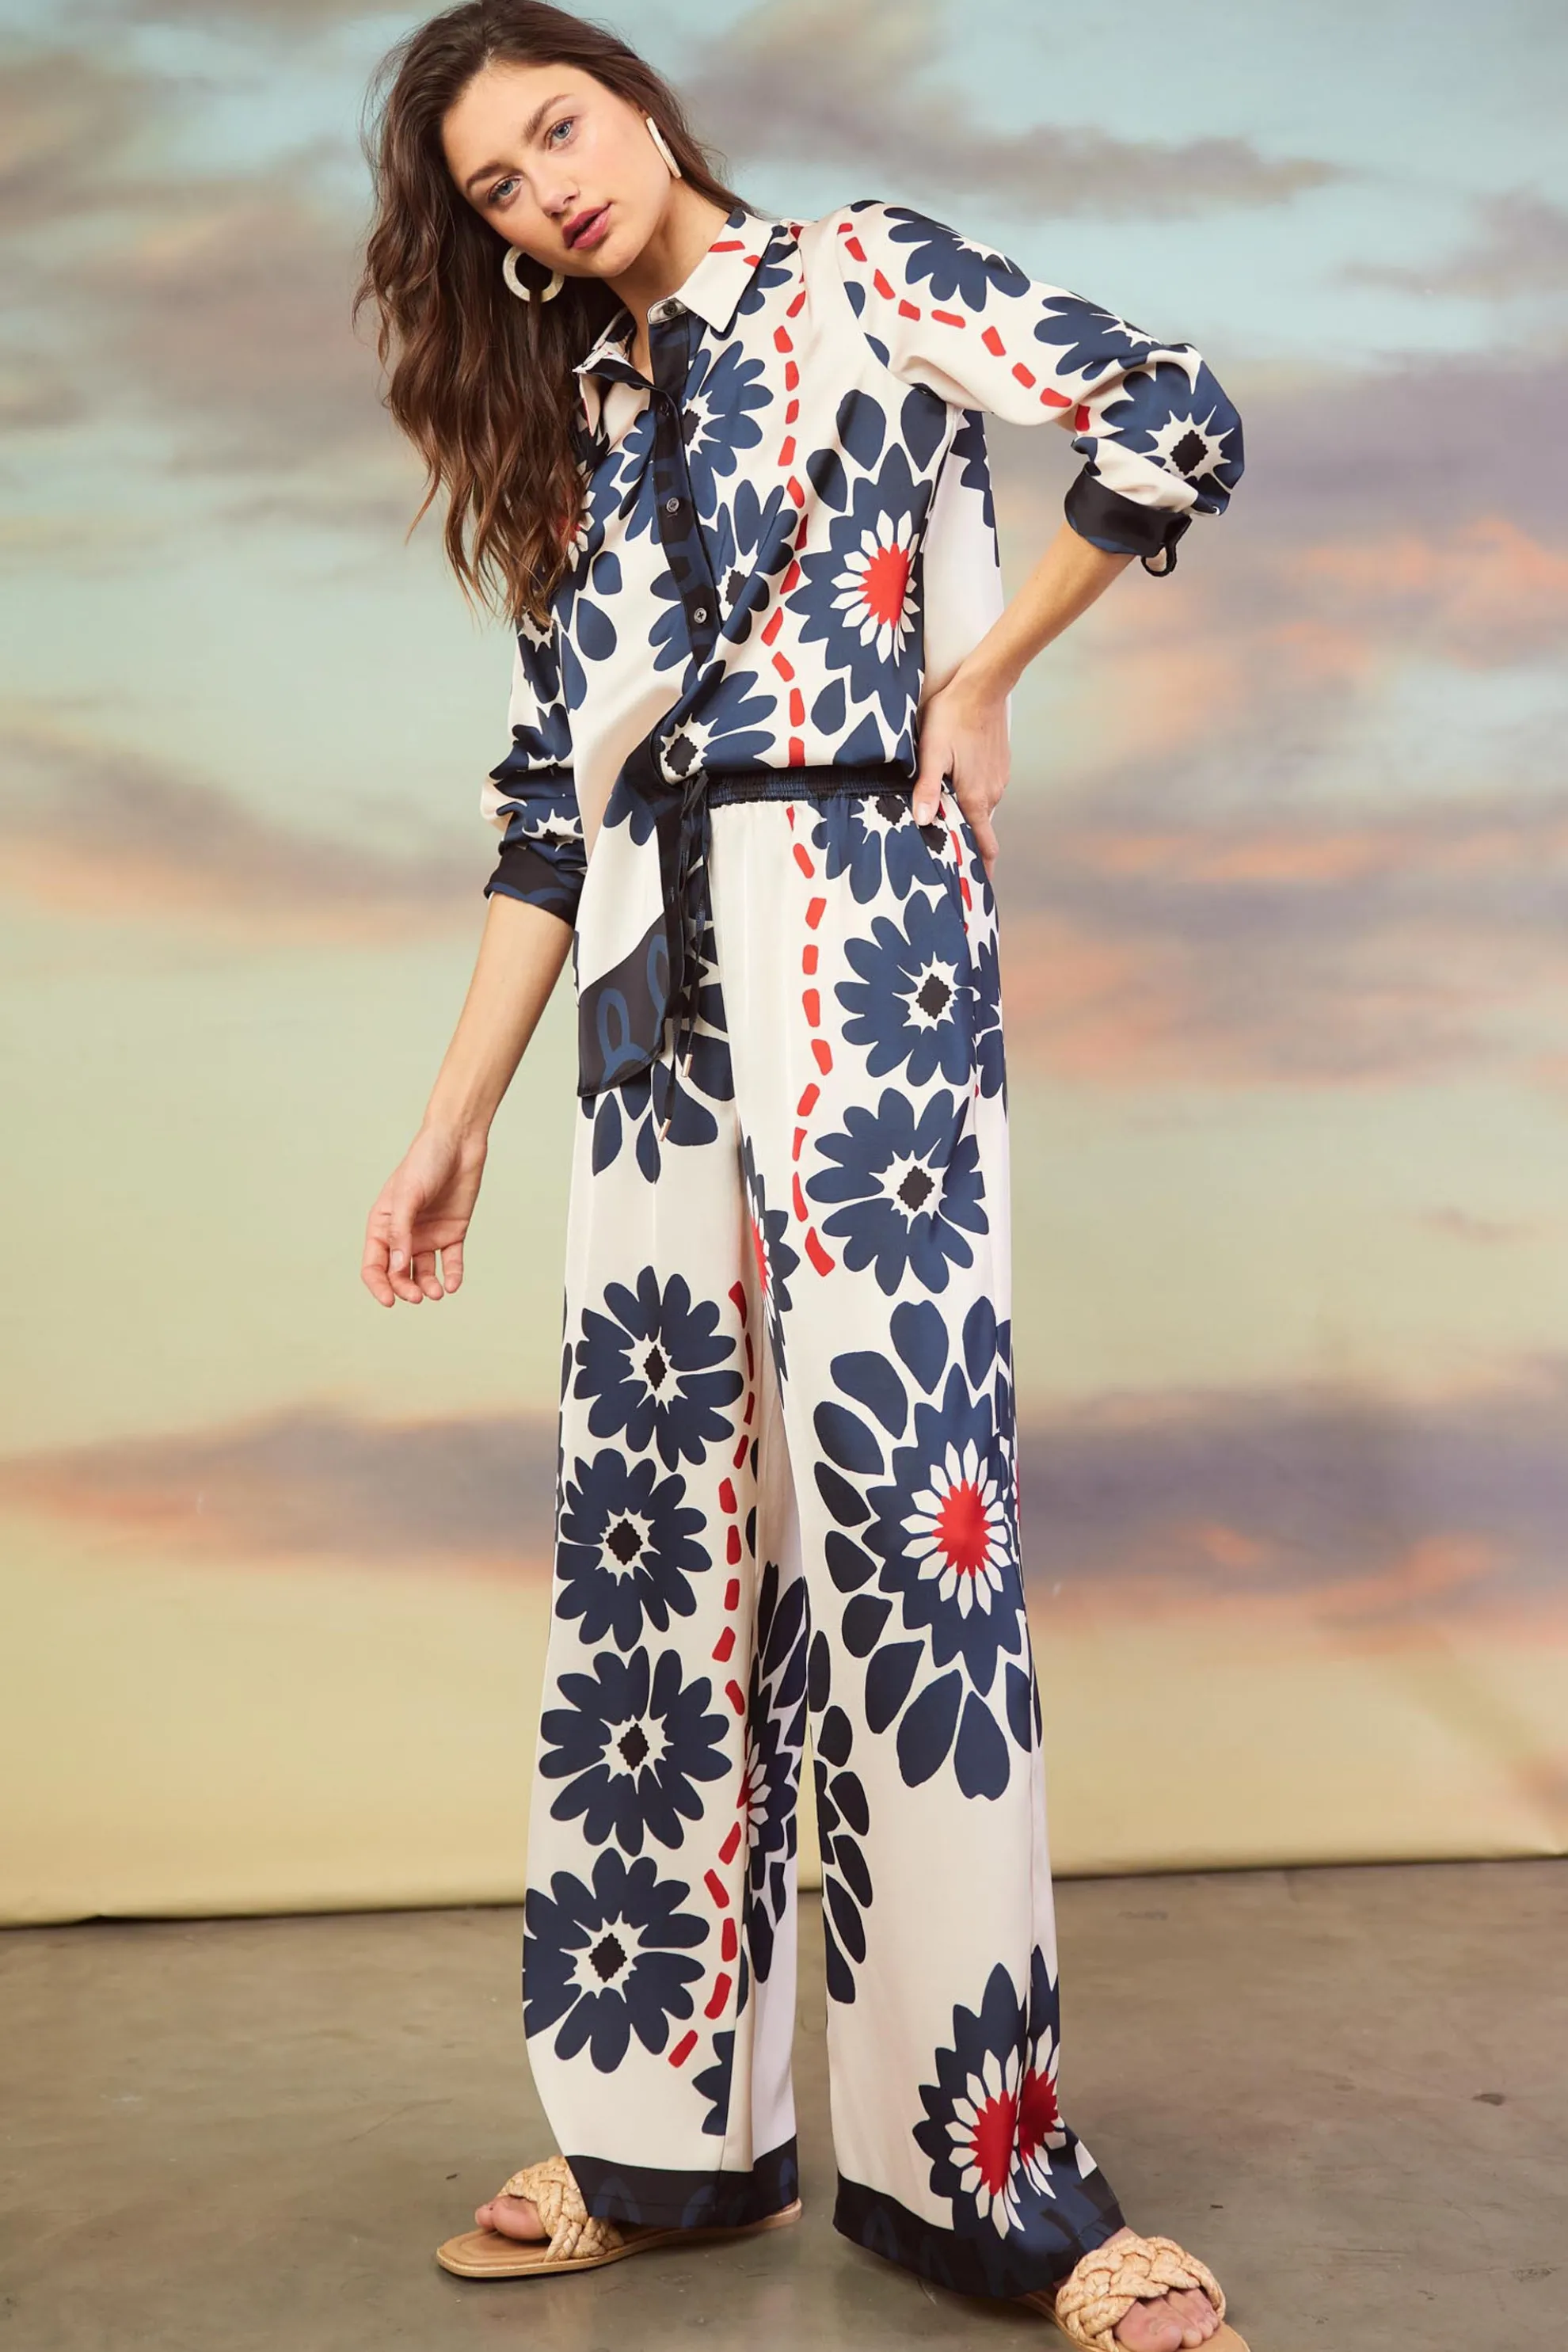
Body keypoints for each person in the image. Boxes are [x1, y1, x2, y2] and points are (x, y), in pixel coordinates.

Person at [356, 6, 1247, 2347]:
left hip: (869, 938)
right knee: (657, 1549)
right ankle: (662, 2146)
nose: (546, 186)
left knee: (903, 1543)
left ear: (638, 105)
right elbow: (548, 807)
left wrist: (988, 673)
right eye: (495, 186)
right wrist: (453, 1118)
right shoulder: (582, 424)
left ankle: (994, 2180)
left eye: (557, 127)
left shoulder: (864, 270)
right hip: (647, 1006)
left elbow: (1171, 414)